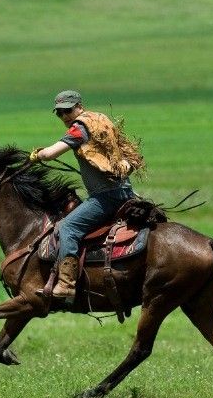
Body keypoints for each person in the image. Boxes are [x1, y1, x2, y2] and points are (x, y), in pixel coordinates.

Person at [29, 90, 145, 300]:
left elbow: (51, 153)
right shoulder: (102, 120)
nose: (64, 116)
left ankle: (66, 284)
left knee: (68, 227)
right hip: (126, 192)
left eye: (68, 111)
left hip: (105, 198)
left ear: (78, 106)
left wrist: (37, 155)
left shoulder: (80, 129)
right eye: (60, 113)